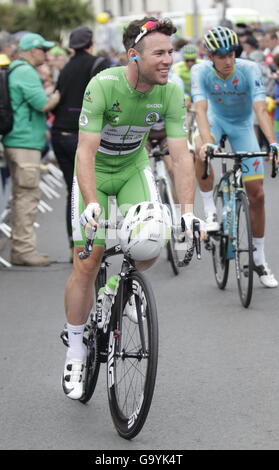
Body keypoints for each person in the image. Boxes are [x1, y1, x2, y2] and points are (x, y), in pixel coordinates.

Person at [62, 17, 205, 400]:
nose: (168, 60)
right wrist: (92, 203)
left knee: (152, 241)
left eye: (170, 52)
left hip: (132, 169)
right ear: (133, 56)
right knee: (88, 260)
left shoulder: (171, 92)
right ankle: (76, 348)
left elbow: (180, 153)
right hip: (95, 171)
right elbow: (85, 152)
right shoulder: (104, 85)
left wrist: (188, 211)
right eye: (159, 52)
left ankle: (113, 292)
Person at [191, 26, 279, 288]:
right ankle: (210, 211)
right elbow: (201, 111)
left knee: (258, 195)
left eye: (231, 54)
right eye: (221, 56)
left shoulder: (249, 69)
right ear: (210, 56)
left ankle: (259, 258)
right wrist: (207, 143)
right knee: (199, 150)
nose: (228, 61)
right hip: (215, 122)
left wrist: (273, 144)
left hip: (242, 126)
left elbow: (261, 110)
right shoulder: (200, 71)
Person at [51, 26, 110, 259]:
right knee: (89, 191)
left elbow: (56, 98)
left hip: (59, 133)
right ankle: (91, 246)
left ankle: (72, 246)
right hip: (82, 134)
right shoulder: (99, 64)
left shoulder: (65, 68)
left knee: (72, 192)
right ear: (91, 42)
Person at [2, 33, 60, 267]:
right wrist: (58, 94)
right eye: (42, 49)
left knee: (20, 195)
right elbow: (42, 104)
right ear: (31, 50)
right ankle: (24, 249)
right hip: (24, 141)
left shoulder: (16, 69)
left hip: (18, 140)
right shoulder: (25, 72)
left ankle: (20, 247)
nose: (46, 54)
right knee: (27, 196)